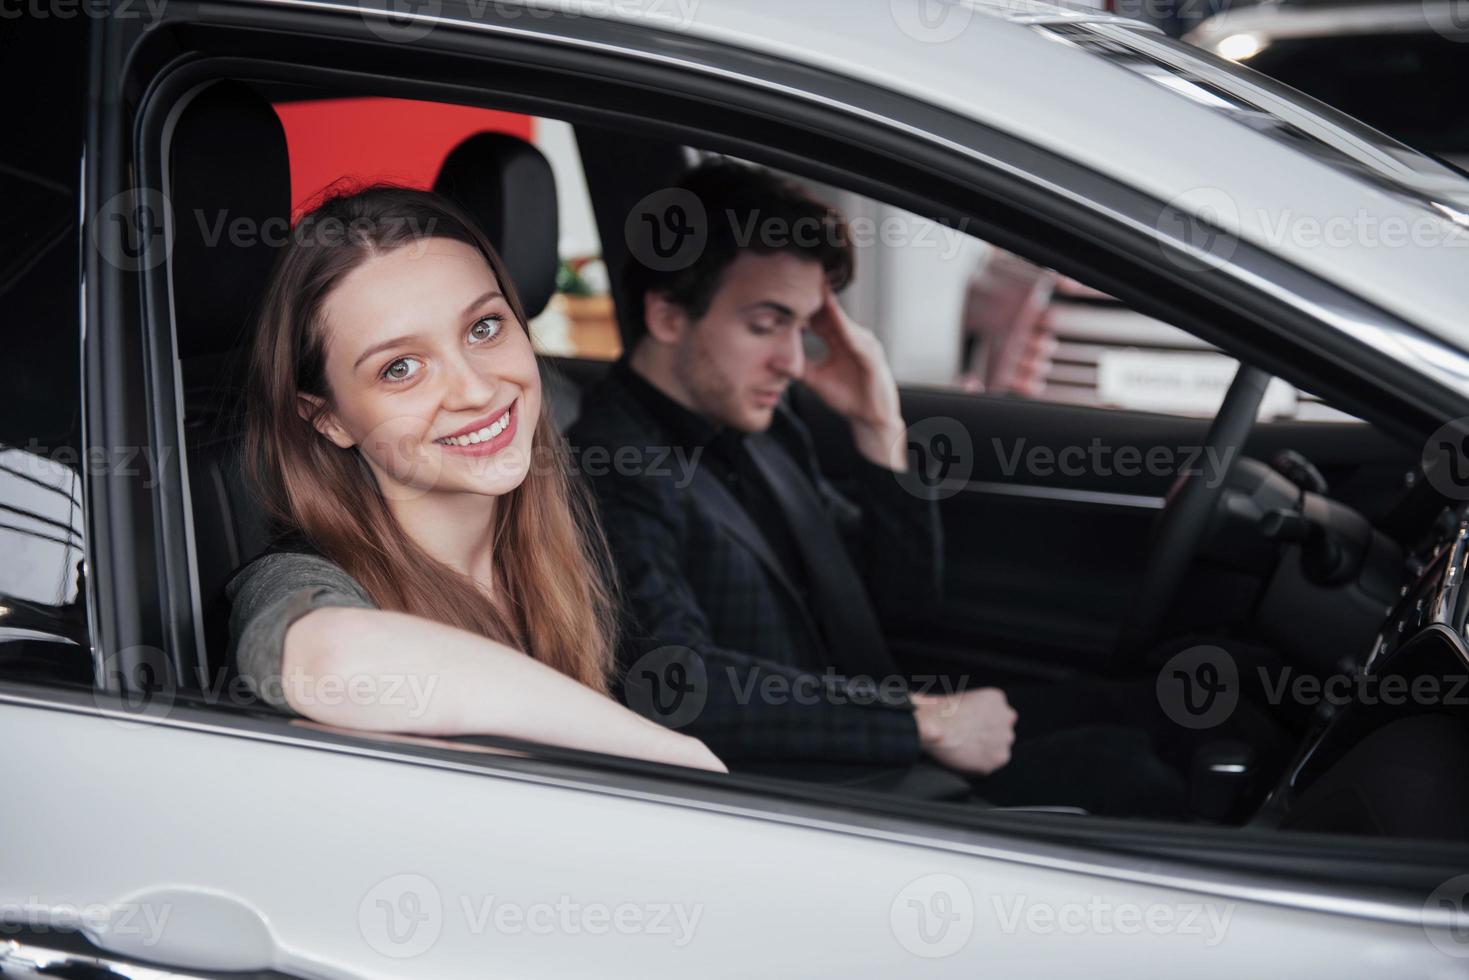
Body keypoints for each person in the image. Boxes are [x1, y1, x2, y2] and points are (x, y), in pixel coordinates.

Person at [571, 161, 1189, 814]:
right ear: (668, 316)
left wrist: (878, 428)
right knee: (1130, 779)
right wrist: (922, 722)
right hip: (804, 790)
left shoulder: (762, 426)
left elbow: (897, 605)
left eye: (801, 326)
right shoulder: (609, 470)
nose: (790, 358)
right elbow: (676, 683)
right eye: (764, 324)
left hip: (862, 732)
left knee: (1139, 706)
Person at [224, 185, 725, 774]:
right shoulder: (296, 578)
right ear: (329, 418)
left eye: (484, 328)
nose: (477, 390)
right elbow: (329, 662)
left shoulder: (551, 539)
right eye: (401, 368)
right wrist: (668, 756)